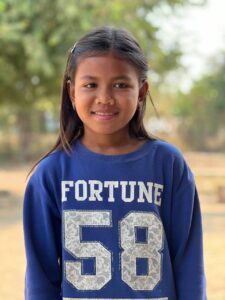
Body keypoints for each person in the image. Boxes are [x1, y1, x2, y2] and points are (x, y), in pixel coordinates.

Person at [23, 26, 207, 300]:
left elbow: (189, 266)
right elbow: (40, 279)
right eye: (91, 84)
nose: (105, 98)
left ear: (142, 90)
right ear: (72, 92)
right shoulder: (51, 174)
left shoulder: (168, 165)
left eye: (121, 85)